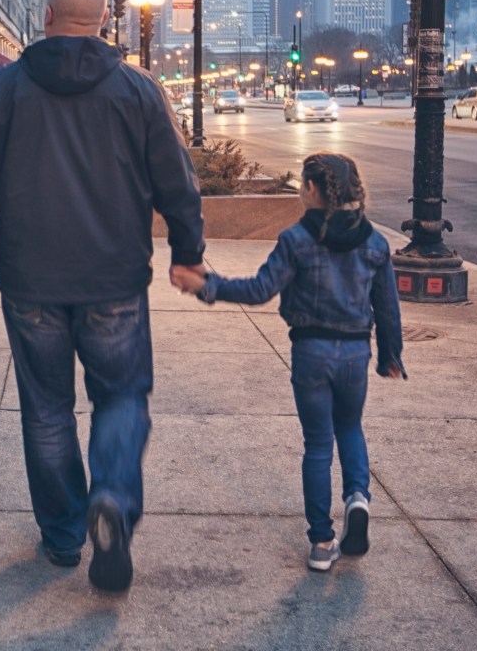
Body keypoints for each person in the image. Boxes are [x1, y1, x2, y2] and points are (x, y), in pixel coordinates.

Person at [0, 0, 205, 592]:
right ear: (106, 22)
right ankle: (111, 496)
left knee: (47, 409)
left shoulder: (3, 89)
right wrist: (188, 252)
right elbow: (178, 180)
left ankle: (63, 536)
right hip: (113, 278)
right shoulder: (137, 91)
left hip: (30, 278)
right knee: (120, 397)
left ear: (48, 17)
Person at [173, 151, 405, 572]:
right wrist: (391, 355)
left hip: (311, 353)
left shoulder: (296, 240)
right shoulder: (375, 242)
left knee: (318, 444)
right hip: (355, 353)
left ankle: (321, 542)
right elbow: (387, 306)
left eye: (302, 184)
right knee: (350, 427)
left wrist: (206, 285)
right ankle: (357, 499)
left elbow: (260, 289)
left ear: (313, 190)